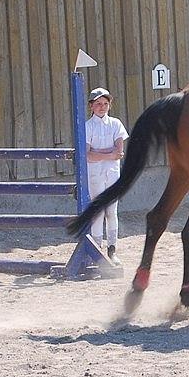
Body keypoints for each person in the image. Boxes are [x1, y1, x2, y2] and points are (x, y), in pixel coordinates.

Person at [85, 87, 129, 266]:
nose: (102, 107)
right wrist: (108, 153)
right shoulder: (87, 126)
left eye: (105, 103)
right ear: (92, 106)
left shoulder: (116, 124)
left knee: (111, 211)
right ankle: (96, 250)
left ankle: (112, 250)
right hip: (94, 173)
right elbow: (87, 155)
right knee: (97, 211)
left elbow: (119, 152)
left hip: (112, 173)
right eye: (98, 104)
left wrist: (100, 153)